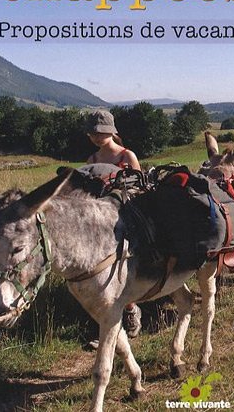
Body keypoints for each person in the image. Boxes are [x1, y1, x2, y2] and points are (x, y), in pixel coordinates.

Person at [86, 110, 142, 338]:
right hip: (99, 221)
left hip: (126, 216)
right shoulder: (92, 161)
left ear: (112, 132)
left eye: (102, 132)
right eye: (94, 133)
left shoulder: (127, 156)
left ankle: (130, 309)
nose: (98, 137)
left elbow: (140, 188)